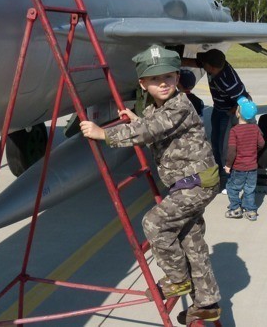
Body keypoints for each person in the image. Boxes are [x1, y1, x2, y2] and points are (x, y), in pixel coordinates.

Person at [80, 45, 221, 324]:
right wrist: (138, 118)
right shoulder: (164, 108)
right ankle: (207, 302)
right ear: (143, 84)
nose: (163, 84)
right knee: (192, 240)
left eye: (169, 77)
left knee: (155, 223)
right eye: (155, 80)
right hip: (194, 182)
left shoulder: (180, 105)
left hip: (195, 184)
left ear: (177, 78)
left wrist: (103, 134)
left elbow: (149, 130)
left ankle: (178, 279)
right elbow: (154, 123)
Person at [182, 49, 250, 190]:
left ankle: (228, 179)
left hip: (227, 113)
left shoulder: (228, 81)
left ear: (211, 67)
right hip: (218, 109)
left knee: (223, 146)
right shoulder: (215, 65)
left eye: (205, 64)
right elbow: (195, 62)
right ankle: (219, 172)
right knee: (215, 141)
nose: (202, 65)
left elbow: (243, 100)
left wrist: (230, 115)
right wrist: (175, 60)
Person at [223, 97, 264, 222]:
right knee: (249, 189)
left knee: (232, 188)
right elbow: (261, 144)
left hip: (239, 167)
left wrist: (228, 165)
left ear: (238, 113)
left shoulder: (234, 131)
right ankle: (251, 211)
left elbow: (232, 151)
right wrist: (252, 150)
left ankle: (236, 208)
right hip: (252, 167)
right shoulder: (256, 129)